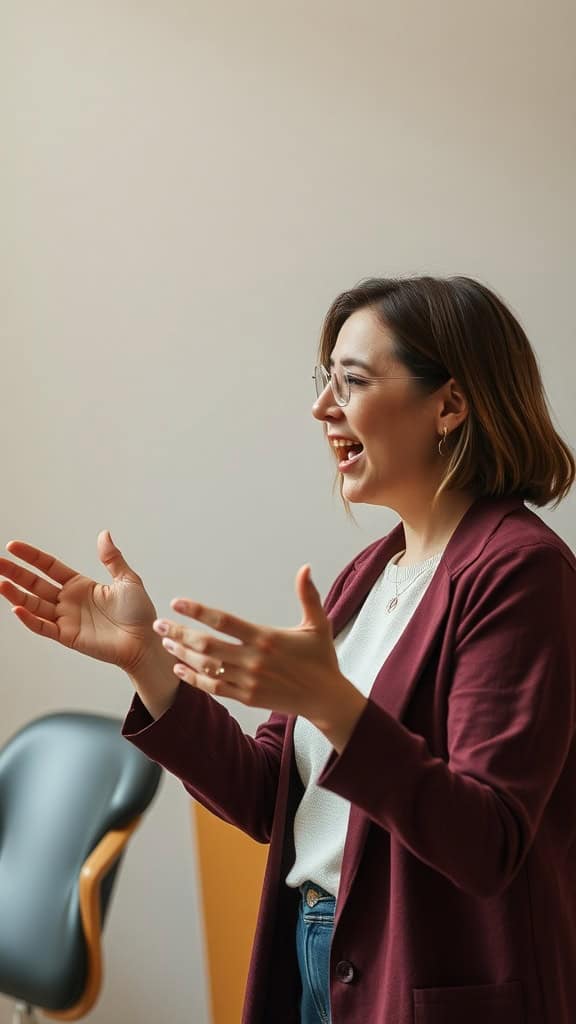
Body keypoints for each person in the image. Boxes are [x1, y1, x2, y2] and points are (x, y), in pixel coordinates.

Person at [1, 275, 575, 1024]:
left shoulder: (521, 570)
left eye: (353, 381)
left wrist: (335, 708)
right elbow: (270, 795)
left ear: (450, 405)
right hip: (318, 959)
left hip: (422, 979)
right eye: (324, 380)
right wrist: (146, 662)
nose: (322, 406)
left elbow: (487, 840)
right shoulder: (369, 575)